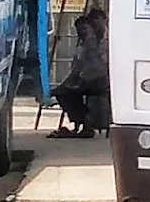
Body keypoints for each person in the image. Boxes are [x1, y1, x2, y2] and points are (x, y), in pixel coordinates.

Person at [47, 8, 109, 139]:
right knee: (63, 92)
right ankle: (82, 121)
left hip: (103, 80)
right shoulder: (87, 42)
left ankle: (86, 122)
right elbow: (79, 67)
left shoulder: (107, 40)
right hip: (88, 79)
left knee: (67, 92)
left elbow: (96, 66)